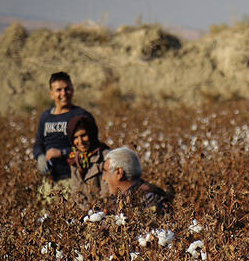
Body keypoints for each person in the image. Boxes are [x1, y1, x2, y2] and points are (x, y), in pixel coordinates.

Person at [32, 72, 95, 202]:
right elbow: (38, 143)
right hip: (49, 181)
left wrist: (62, 153)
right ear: (51, 93)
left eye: (67, 89)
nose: (64, 93)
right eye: (58, 90)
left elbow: (92, 147)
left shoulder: (81, 116)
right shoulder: (45, 117)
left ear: (73, 90)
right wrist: (40, 157)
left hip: (74, 178)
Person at [101, 147, 170, 215]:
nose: (103, 178)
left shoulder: (150, 199)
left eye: (106, 172)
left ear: (119, 173)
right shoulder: (119, 199)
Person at [67, 115, 110, 209]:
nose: (80, 141)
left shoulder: (105, 155)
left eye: (83, 135)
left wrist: (98, 211)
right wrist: (87, 210)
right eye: (75, 137)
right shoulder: (74, 159)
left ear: (91, 134)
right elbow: (76, 191)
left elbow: (107, 191)